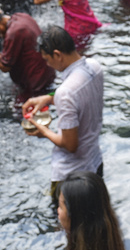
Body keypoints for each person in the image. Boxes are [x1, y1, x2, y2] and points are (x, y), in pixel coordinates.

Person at [22, 26, 104, 191]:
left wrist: (42, 130)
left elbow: (70, 144)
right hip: (95, 162)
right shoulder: (95, 67)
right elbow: (80, 96)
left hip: (71, 176)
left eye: (47, 59)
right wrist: (47, 98)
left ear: (57, 55)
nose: (47, 64)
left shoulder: (65, 92)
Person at [0, 8, 55, 96]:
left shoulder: (14, 33)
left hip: (35, 85)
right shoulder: (21, 16)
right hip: (48, 75)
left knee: (22, 108)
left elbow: (4, 66)